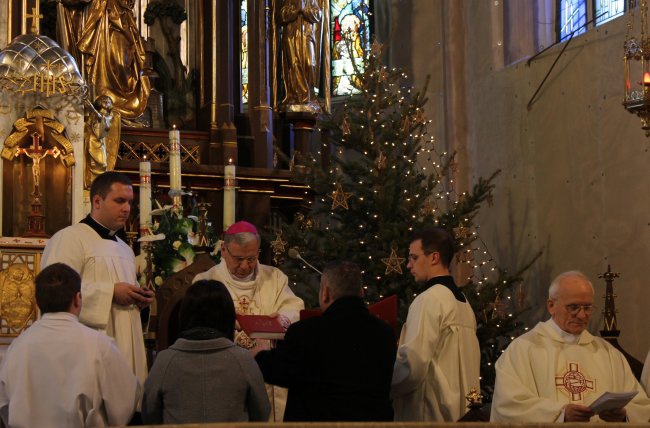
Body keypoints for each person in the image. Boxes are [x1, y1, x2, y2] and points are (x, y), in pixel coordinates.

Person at [41, 171, 154, 387]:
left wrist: (140, 299)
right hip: (88, 348)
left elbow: (125, 296)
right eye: (120, 201)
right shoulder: (70, 238)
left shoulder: (125, 249)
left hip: (126, 346)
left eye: (130, 202)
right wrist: (111, 292)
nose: (127, 209)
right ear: (97, 201)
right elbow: (55, 293)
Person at [491, 271, 650, 423]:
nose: (582, 316)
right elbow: (508, 406)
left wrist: (623, 415)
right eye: (573, 307)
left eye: (587, 308)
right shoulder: (523, 349)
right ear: (551, 306)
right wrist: (560, 413)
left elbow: (640, 406)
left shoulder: (608, 353)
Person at [0, 263, 140, 427]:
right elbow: (124, 403)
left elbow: (4, 405)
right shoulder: (99, 346)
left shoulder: (17, 347)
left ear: (36, 301)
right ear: (78, 299)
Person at [255, 261, 396, 421]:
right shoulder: (385, 333)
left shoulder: (306, 332)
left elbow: (279, 372)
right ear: (362, 292)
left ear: (325, 293)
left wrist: (260, 355)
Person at [193, 220, 304, 420]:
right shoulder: (206, 282)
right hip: (224, 370)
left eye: (251, 258)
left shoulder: (275, 278)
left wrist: (282, 319)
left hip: (265, 370)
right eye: (238, 259)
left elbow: (295, 307)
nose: (245, 266)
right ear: (224, 250)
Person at [142, 280, 270, 424]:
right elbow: (261, 412)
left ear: (184, 314)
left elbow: (150, 414)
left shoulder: (165, 360)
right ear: (228, 317)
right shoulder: (242, 359)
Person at [391, 226, 480, 421]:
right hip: (462, 412)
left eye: (414, 257)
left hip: (432, 413)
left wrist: (384, 384)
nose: (408, 265)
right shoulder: (463, 303)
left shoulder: (429, 300)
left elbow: (413, 365)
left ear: (434, 258)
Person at [56, 0, 151, 123]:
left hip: (119, 14)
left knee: (123, 63)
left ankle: (118, 110)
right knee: (104, 62)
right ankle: (98, 107)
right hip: (95, 15)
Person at [279, 0, 322, 107]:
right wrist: (295, 10)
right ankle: (295, 97)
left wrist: (304, 10)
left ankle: (309, 95)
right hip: (291, 35)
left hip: (307, 35)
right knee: (294, 64)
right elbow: (282, 15)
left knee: (310, 63)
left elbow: (318, 14)